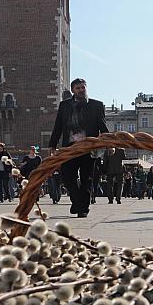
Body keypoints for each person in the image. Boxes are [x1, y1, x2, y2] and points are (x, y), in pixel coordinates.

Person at [49, 78, 107, 218]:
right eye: (78, 88)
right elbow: (58, 126)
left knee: (87, 179)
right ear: (73, 90)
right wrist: (52, 145)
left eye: (83, 87)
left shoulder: (96, 105)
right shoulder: (65, 106)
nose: (81, 90)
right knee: (68, 177)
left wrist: (108, 143)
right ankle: (77, 201)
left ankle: (83, 209)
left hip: (88, 148)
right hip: (69, 148)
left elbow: (102, 126)